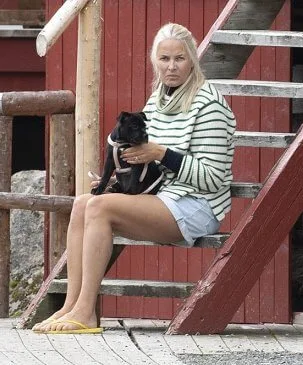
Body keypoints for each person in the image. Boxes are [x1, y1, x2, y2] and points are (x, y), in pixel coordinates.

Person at [33, 22, 236, 334]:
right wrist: (115, 182)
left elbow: (212, 179)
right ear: (154, 60)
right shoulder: (157, 100)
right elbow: (141, 161)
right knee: (84, 203)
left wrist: (160, 153)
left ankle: (86, 312)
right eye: (164, 59)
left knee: (101, 209)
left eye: (180, 59)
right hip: (160, 198)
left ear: (193, 60)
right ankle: (69, 307)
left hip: (196, 206)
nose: (171, 67)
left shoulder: (210, 106)